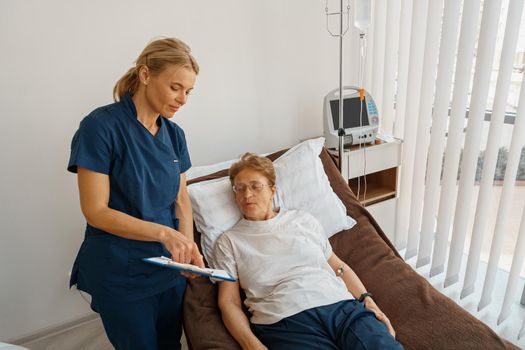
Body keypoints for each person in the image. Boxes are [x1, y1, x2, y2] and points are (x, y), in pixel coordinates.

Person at [67, 37, 204, 350]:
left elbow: (182, 201)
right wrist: (164, 234)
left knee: (170, 344)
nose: (183, 98)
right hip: (121, 270)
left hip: (168, 270)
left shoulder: (174, 135)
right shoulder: (100, 127)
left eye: (188, 91)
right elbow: (96, 211)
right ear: (145, 75)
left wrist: (186, 248)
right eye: (175, 87)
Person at [213, 153, 404, 350]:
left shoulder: (303, 221)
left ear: (272, 190)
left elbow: (338, 267)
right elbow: (229, 302)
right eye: (239, 188)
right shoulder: (230, 242)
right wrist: (252, 346)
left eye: (255, 186)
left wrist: (367, 300)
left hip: (342, 308)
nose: (247, 195)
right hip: (285, 323)